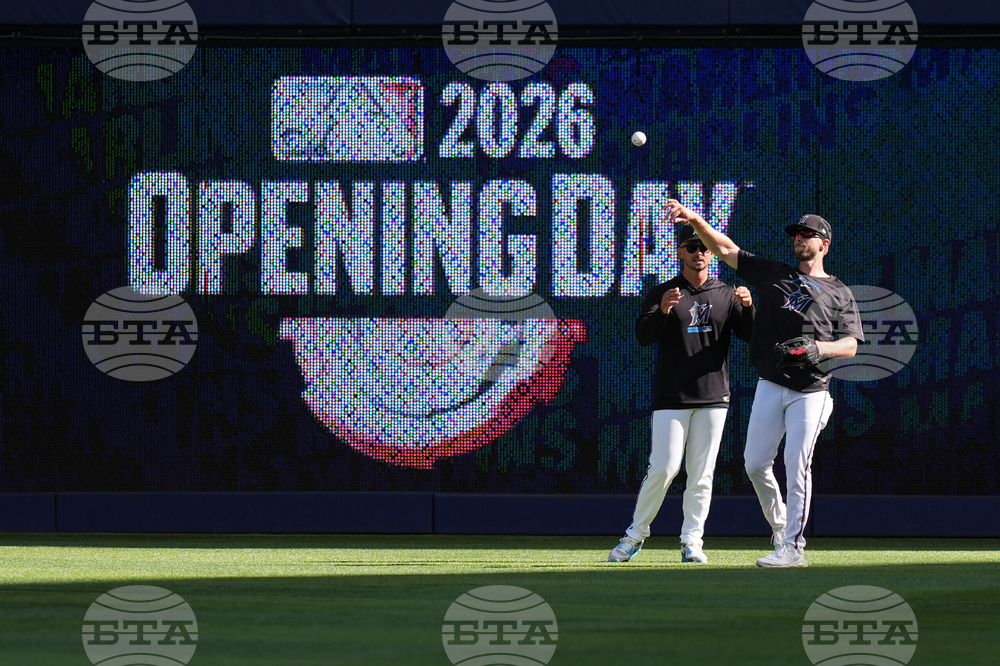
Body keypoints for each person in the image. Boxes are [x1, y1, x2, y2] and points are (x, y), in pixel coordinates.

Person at [669, 203, 864, 568]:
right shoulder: (774, 273)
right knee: (755, 463)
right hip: (772, 383)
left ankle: (793, 548)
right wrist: (695, 219)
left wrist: (819, 347)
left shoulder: (839, 291)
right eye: (796, 233)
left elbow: (851, 344)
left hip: (813, 390)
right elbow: (725, 250)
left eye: (808, 234)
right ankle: (781, 528)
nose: (799, 238)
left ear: (824, 244)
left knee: (796, 463)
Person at [608, 225, 754, 564]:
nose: (698, 253)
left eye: (703, 247)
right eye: (691, 247)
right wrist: (661, 311)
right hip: (672, 396)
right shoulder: (664, 291)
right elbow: (643, 337)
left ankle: (692, 542)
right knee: (663, 468)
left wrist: (748, 308)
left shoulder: (726, 293)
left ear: (712, 253)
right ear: (679, 253)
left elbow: (750, 335)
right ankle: (635, 535)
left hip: (714, 396)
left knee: (701, 474)